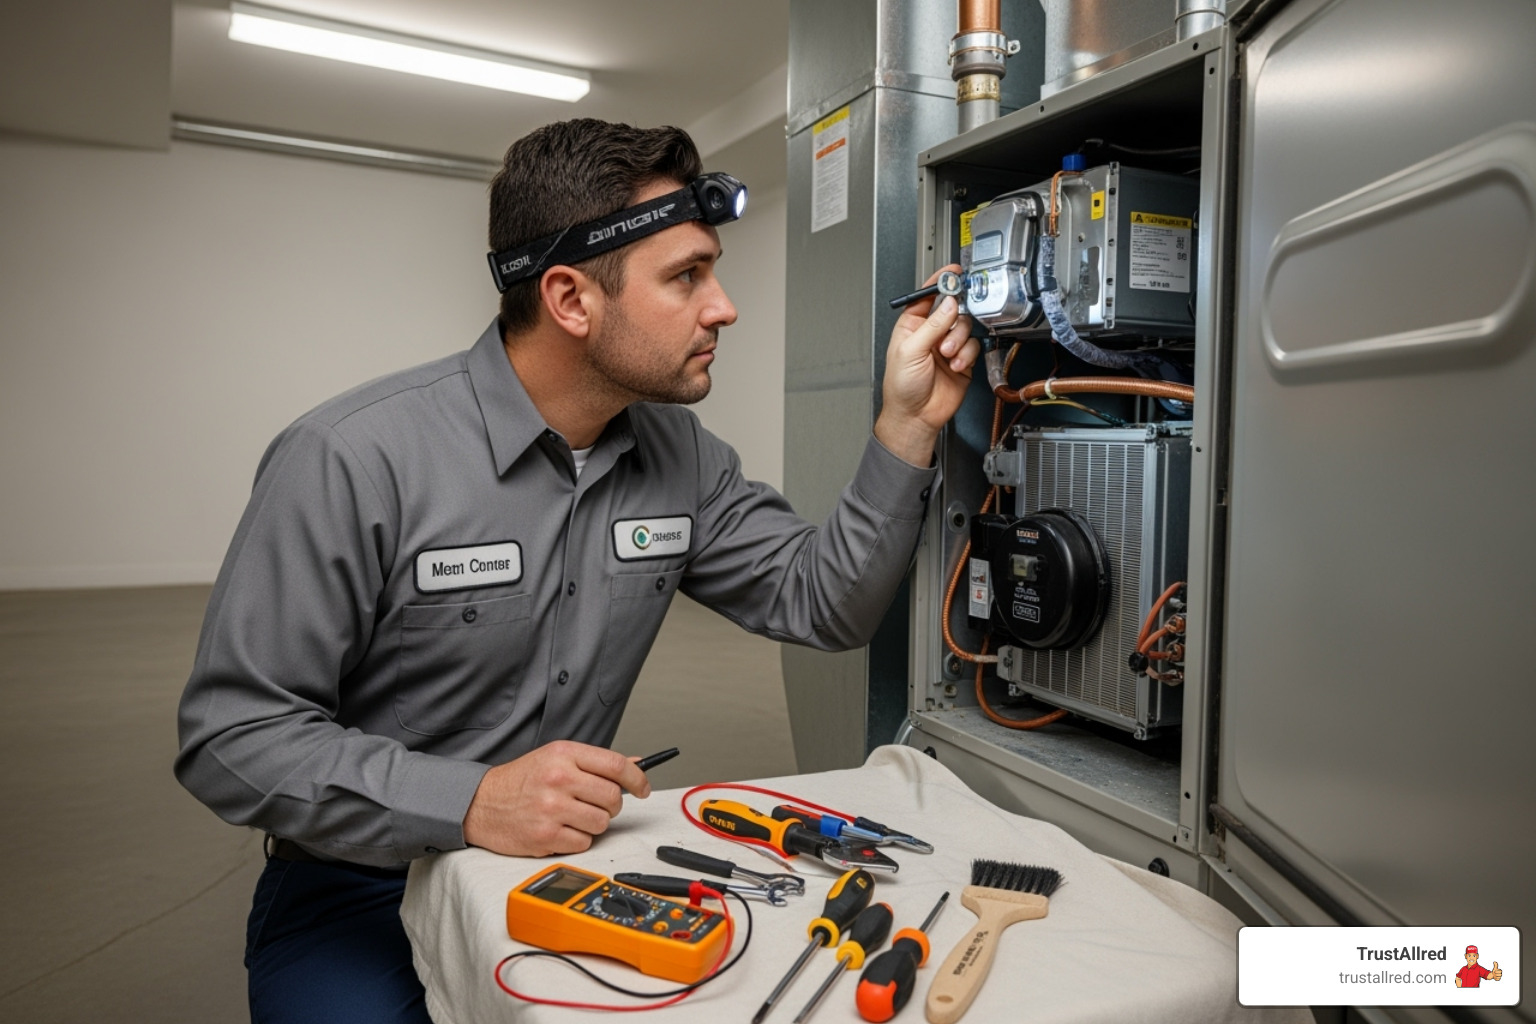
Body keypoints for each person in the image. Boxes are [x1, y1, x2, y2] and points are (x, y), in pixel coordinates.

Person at [175, 118, 977, 1023]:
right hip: (358, 892)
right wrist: (472, 798)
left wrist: (907, 426)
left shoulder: (681, 457)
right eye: (686, 276)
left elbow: (823, 602)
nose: (724, 306)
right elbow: (230, 736)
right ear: (569, 299)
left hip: (568, 876)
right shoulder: (351, 457)